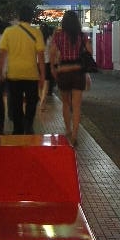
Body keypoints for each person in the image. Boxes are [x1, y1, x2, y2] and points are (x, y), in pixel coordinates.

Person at [0, 5, 45, 135]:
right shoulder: (36, 33)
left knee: (16, 103)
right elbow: (41, 56)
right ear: (31, 17)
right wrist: (42, 75)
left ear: (19, 17)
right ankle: (28, 124)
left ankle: (17, 129)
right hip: (31, 75)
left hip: (14, 74)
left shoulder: (9, 31)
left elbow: (2, 54)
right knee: (32, 102)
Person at [50, 10, 92, 146]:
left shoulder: (58, 35)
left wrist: (53, 68)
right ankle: (75, 134)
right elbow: (90, 52)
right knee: (77, 106)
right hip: (78, 72)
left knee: (66, 103)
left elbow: (52, 53)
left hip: (63, 71)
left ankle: (68, 129)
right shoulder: (82, 36)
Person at [38, 23, 54, 110]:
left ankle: (41, 98)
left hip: (37, 62)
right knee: (46, 83)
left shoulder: (37, 38)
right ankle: (42, 101)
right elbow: (52, 52)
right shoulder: (50, 39)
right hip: (47, 63)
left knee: (39, 83)